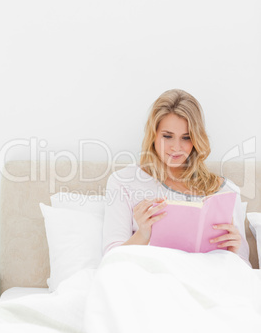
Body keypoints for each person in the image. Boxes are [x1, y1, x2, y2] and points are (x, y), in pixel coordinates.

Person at [102, 89, 251, 266]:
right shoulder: (123, 182)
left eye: (186, 138)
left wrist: (233, 252)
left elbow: (244, 271)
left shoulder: (225, 191)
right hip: (148, 279)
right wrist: (143, 233)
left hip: (208, 280)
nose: (176, 147)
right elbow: (110, 262)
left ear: (196, 140)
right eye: (167, 136)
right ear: (153, 135)